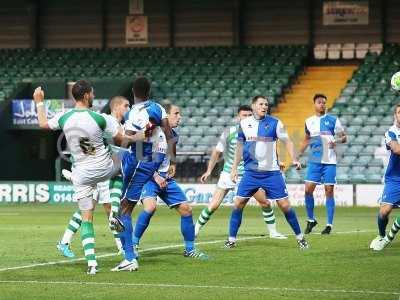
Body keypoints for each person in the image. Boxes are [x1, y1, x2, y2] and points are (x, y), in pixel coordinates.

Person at [33, 81, 144, 275]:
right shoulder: (99, 118)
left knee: (87, 218)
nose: (93, 96)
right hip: (104, 169)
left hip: (83, 173)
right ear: (85, 96)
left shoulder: (64, 117)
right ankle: (114, 212)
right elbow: (123, 140)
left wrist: (39, 101)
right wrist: (141, 136)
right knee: (124, 156)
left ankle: (92, 264)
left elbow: (42, 123)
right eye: (92, 94)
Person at [226, 96, 309, 249]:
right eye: (261, 104)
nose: (264, 106)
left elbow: (288, 141)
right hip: (250, 173)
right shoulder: (244, 124)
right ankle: (231, 240)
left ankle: (300, 237)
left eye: (266, 104)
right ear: (253, 106)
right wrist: (234, 168)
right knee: (238, 203)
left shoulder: (275, 123)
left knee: (284, 205)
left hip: (272, 173)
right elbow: (239, 147)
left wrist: (295, 159)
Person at [195, 105, 286, 239]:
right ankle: (196, 229)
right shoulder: (228, 132)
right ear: (238, 117)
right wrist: (209, 171)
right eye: (244, 115)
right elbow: (217, 152)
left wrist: (277, 163)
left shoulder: (258, 131)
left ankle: (273, 232)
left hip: (248, 174)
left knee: (265, 202)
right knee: (214, 205)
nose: (247, 118)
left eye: (250, 115)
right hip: (228, 173)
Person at [131, 102, 208, 260]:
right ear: (164, 116)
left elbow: (171, 151)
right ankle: (132, 245)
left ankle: (189, 249)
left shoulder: (173, 135)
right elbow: (139, 156)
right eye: (176, 113)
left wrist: (172, 163)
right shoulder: (150, 131)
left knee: (186, 209)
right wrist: (155, 175)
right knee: (150, 207)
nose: (180, 117)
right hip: (148, 177)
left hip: (165, 178)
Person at [111, 77, 173, 272]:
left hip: (141, 158)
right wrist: (172, 161)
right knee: (123, 207)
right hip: (157, 157)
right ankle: (130, 253)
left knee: (124, 209)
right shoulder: (158, 108)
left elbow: (129, 140)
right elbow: (170, 134)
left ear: (133, 91)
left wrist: (116, 134)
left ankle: (129, 257)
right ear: (149, 90)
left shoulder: (133, 113)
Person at [56, 96, 130, 258]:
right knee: (109, 210)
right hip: (101, 172)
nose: (128, 109)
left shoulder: (121, 126)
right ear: (116, 107)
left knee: (91, 209)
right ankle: (122, 248)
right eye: (126, 106)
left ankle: (64, 241)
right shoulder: (105, 122)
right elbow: (86, 145)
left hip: (107, 172)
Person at [299, 94, 347, 235]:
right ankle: (311, 220)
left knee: (329, 192)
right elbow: (306, 140)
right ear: (314, 104)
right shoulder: (308, 121)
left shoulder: (333, 120)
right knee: (308, 190)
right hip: (314, 161)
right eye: (319, 102)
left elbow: (344, 137)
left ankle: (329, 225)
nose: (322, 104)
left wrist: (336, 141)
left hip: (329, 162)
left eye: (324, 103)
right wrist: (297, 156)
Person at [370, 104, 400, 251]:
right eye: (399, 112)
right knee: (384, 211)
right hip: (395, 178)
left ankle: (388, 239)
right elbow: (397, 149)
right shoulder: (391, 132)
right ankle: (381, 235)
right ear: (395, 115)